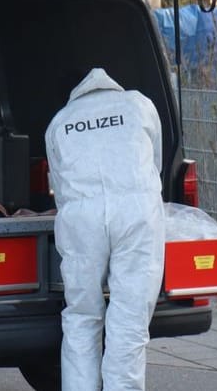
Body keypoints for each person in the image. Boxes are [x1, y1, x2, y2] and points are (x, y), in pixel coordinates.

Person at [45, 68, 165, 391]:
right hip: (137, 213)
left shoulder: (59, 121)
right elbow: (156, 163)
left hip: (81, 219)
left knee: (82, 318)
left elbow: (56, 184)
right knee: (128, 323)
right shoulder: (139, 105)